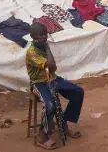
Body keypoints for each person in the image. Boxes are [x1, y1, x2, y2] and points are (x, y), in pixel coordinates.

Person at [26, 22, 84, 150]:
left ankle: (64, 124)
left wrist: (47, 50)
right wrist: (47, 48)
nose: (44, 37)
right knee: (50, 105)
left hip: (52, 79)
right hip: (39, 83)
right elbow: (50, 65)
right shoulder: (32, 52)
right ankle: (43, 136)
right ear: (32, 36)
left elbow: (53, 68)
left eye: (45, 34)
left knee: (78, 91)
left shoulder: (43, 46)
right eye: (40, 35)